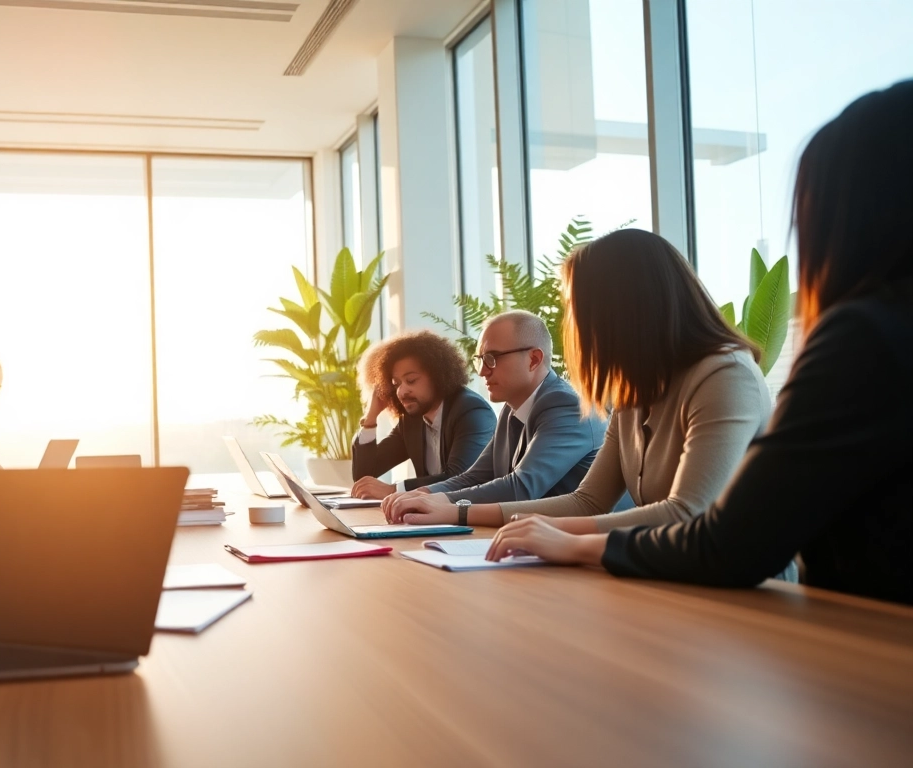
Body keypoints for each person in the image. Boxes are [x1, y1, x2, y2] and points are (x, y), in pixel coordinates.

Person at [487, 81, 913, 605]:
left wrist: (575, 546)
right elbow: (589, 499)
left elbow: (718, 533)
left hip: (797, 624)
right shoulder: (634, 392)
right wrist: (466, 516)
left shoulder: (852, 343)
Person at [387, 228, 771, 532]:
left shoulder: (726, 376)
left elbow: (686, 514)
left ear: (624, 309)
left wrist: (564, 543)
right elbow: (587, 500)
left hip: (740, 598)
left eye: (578, 308)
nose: (574, 324)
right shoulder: (635, 394)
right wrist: (458, 514)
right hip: (664, 578)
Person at [380, 310, 620, 516]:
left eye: (492, 358)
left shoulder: (566, 405)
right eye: (480, 360)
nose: (483, 371)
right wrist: (422, 493)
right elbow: (474, 476)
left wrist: (442, 504)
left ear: (534, 359)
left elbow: (522, 488)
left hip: (592, 550)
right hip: (536, 539)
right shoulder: (511, 408)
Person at [350, 330, 496, 499]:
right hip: (431, 519)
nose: (402, 391)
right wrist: (370, 419)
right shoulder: (411, 421)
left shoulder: (472, 411)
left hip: (474, 518)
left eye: (411, 380)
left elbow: (459, 478)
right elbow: (364, 477)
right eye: (396, 384)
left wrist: (394, 490)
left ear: (437, 375)